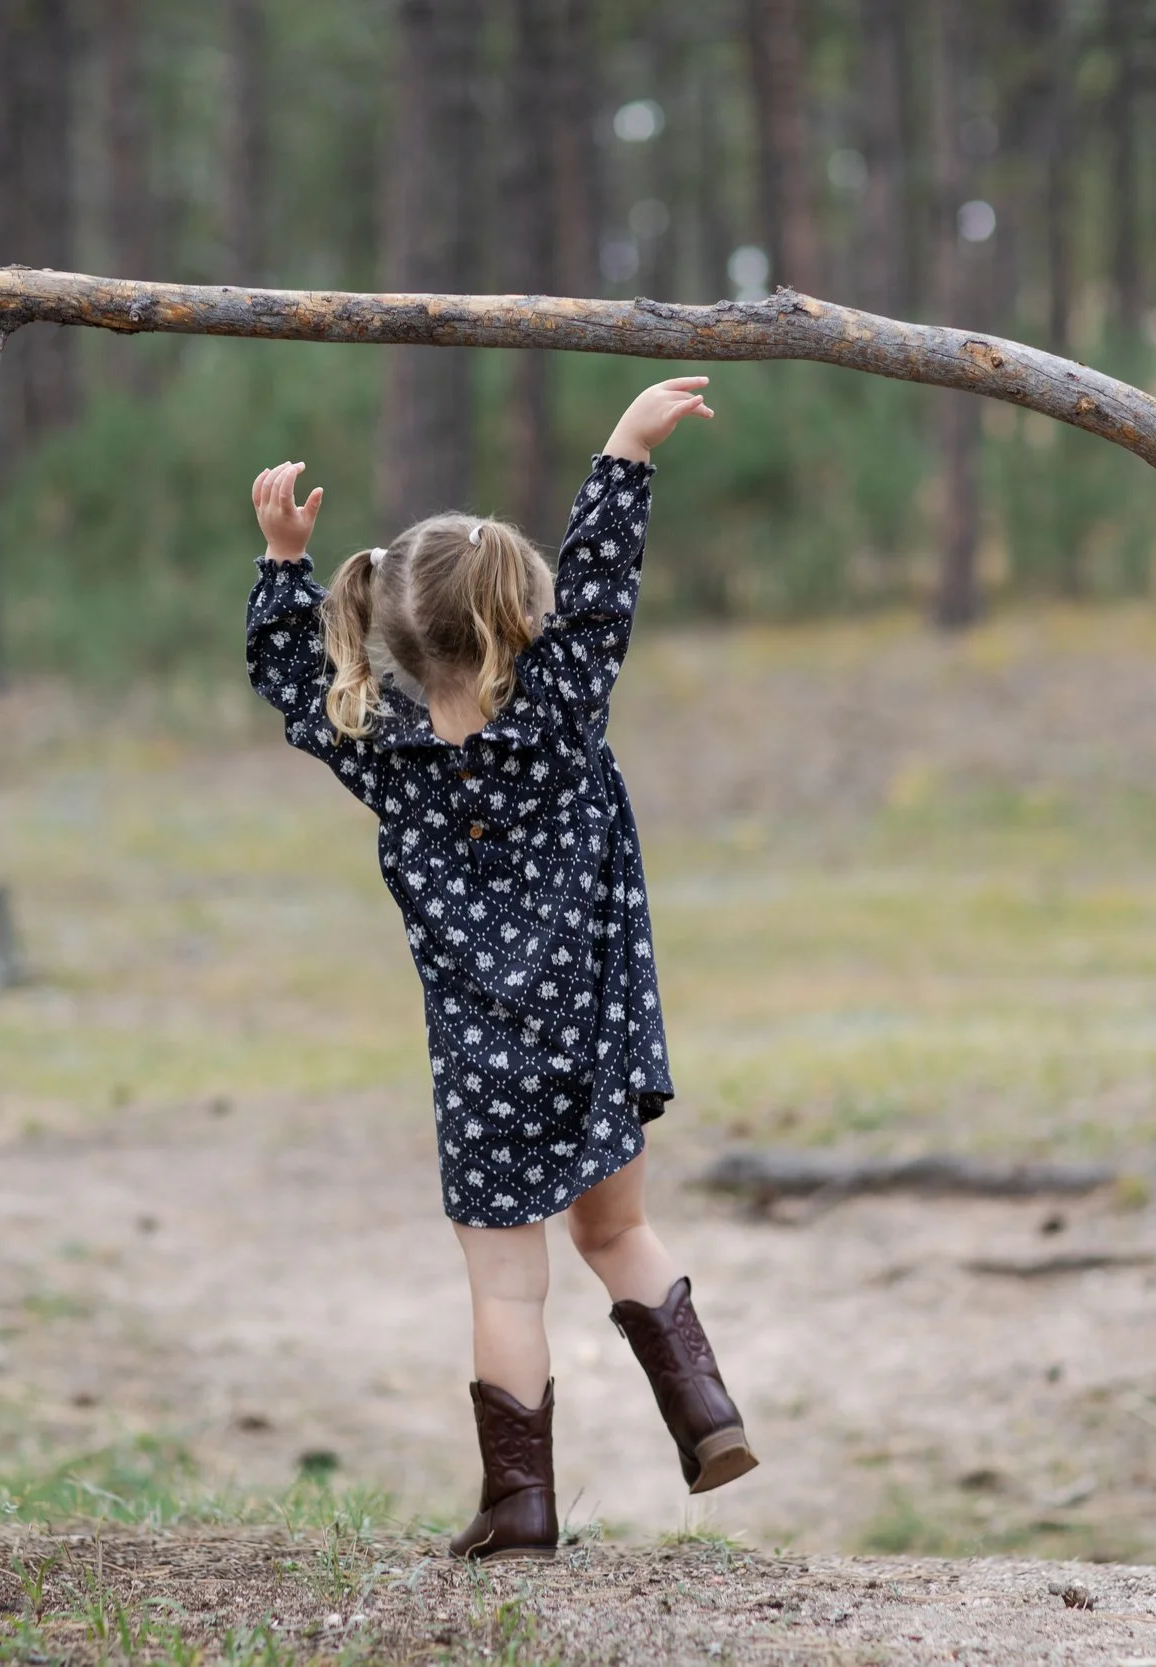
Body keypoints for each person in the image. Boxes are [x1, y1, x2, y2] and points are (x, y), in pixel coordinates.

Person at [242, 376, 755, 1560]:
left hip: (480, 1064)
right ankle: (707, 1411)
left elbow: (284, 674)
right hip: (597, 1033)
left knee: (506, 1287)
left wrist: (282, 559)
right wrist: (624, 446)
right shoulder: (563, 711)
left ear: (403, 637)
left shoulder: (384, 751)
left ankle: (520, 1505)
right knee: (618, 1234)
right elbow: (604, 592)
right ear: (522, 621)